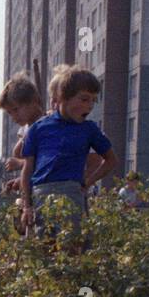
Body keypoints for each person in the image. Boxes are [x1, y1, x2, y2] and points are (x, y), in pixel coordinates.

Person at [20, 67, 119, 241]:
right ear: (62, 97)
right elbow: (27, 169)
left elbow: (111, 160)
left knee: (73, 245)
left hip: (72, 193)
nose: (89, 106)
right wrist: (27, 206)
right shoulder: (39, 128)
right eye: (84, 99)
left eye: (93, 101)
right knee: (44, 247)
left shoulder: (89, 129)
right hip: (41, 193)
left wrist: (88, 182)